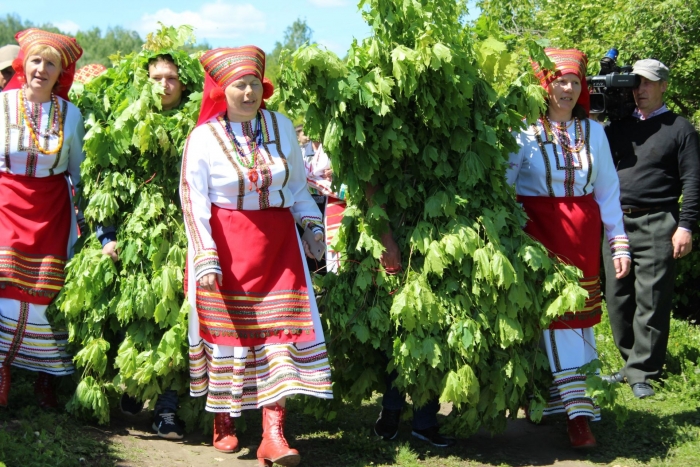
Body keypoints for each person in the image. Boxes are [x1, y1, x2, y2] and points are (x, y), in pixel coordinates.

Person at [181, 46, 333, 465]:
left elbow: (299, 188)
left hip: (279, 245)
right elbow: (193, 198)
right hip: (228, 245)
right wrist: (205, 254)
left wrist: (312, 227)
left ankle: (273, 435)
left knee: (281, 336)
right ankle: (225, 419)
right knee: (231, 336)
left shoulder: (281, 126)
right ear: (220, 89)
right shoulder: (204, 137)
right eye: (238, 85)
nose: (248, 92)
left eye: (253, 83)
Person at [506, 48, 631, 448]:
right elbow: (505, 188)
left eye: (575, 81)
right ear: (544, 84)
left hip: (581, 238)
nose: (568, 88)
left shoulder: (594, 132)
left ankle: (573, 409)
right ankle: (568, 411)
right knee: (547, 322)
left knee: (577, 324)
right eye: (560, 80)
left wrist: (619, 243)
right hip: (537, 237)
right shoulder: (523, 131)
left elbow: (609, 190)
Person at [96, 53, 190, 440]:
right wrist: (108, 236)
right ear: (145, 80)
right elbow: (106, 182)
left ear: (183, 85)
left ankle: (166, 411)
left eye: (171, 78)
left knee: (176, 323)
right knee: (136, 315)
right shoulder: (128, 123)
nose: (164, 85)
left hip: (182, 237)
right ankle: (136, 385)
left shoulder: (196, 126)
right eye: (157, 77)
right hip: (136, 235)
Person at [603, 59, 700, 399]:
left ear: (663, 86)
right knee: (618, 298)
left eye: (647, 83)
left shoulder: (680, 128)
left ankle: (644, 371)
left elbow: (693, 181)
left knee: (652, 299)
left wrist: (686, 225)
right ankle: (631, 364)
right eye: (635, 83)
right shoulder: (617, 126)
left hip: (659, 221)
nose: (640, 90)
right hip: (617, 222)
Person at [0, 29, 84, 408]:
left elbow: (78, 171)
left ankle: (44, 375)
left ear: (60, 72)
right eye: (36, 60)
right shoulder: (3, 104)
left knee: (43, 294)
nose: (42, 68)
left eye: (51, 63)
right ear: (23, 64)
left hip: (51, 209)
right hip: (5, 203)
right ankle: (3, 370)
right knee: (5, 287)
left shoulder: (72, 114)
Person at [305, 142, 347, 273]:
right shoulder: (302, 158)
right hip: (319, 243)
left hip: (343, 229)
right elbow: (299, 205)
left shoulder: (344, 154)